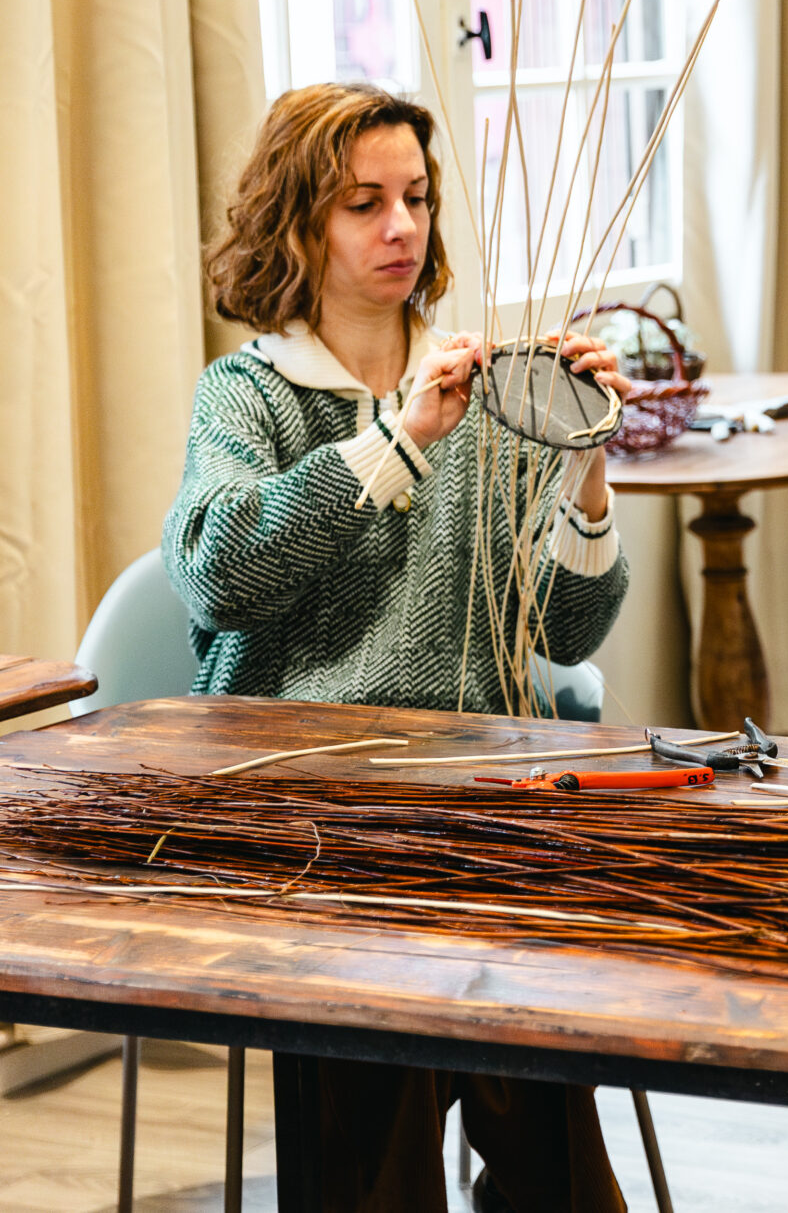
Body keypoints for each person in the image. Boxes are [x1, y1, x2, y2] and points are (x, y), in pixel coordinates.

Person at [166, 82, 636, 1213]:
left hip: (469, 792)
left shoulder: (488, 394)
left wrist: (585, 467)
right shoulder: (249, 394)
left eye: (416, 197)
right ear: (297, 223)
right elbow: (218, 572)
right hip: (297, 801)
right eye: (362, 203)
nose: (401, 227)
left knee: (533, 1040)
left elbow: (564, 634)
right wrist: (397, 439)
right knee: (392, 1022)